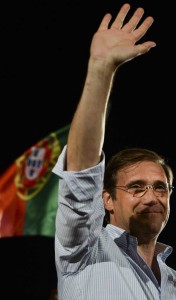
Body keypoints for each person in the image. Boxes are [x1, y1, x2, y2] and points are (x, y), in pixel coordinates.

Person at [52, 3, 176, 300]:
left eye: (160, 187)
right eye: (136, 187)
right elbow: (80, 178)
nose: (151, 197)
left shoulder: (172, 279)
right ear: (107, 199)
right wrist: (101, 68)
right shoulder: (84, 251)